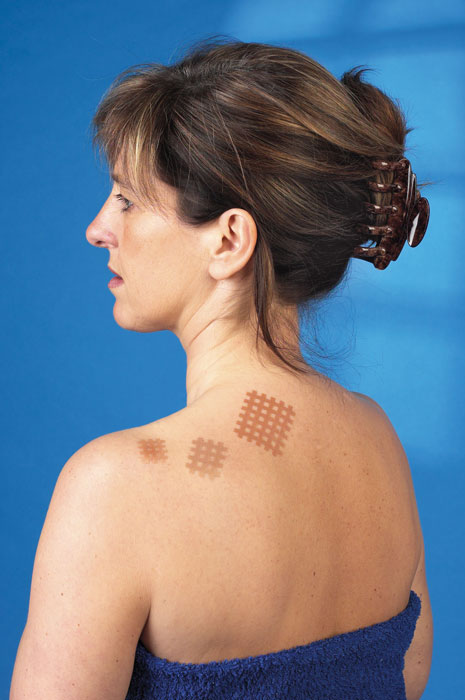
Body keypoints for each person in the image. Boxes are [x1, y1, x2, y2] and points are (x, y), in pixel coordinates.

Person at [10, 37, 433, 700]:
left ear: (230, 239)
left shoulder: (116, 487)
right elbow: (408, 675)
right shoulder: (374, 438)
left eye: (126, 199)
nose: (97, 228)